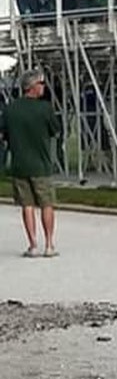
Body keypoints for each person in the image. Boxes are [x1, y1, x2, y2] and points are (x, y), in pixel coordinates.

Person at [0, 69, 60, 258]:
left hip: (20, 164)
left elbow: (4, 133)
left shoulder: (10, 109)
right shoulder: (45, 108)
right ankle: (49, 244)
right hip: (41, 164)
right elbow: (55, 131)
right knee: (47, 203)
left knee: (27, 205)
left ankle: (33, 245)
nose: (43, 87)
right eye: (41, 84)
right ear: (32, 87)